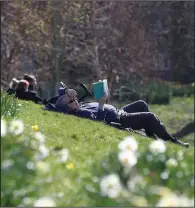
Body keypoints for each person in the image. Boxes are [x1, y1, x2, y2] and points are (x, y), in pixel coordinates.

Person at [53, 88, 189, 148]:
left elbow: (61, 90)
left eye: (73, 98)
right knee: (150, 117)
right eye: (71, 101)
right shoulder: (80, 113)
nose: (74, 100)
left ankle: (150, 135)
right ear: (67, 108)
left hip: (118, 111)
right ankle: (172, 141)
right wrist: (101, 102)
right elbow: (99, 122)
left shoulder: (81, 106)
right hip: (119, 119)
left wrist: (103, 99)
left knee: (141, 104)